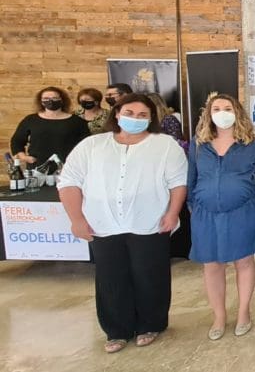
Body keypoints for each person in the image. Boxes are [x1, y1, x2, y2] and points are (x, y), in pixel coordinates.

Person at [56, 93, 187, 353]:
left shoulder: (165, 145)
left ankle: (151, 324)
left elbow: (177, 183)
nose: (135, 118)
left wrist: (173, 213)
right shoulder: (91, 145)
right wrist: (76, 219)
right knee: (111, 278)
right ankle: (116, 330)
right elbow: (69, 182)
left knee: (150, 275)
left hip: (150, 221)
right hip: (103, 223)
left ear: (151, 118)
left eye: (142, 115)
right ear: (117, 114)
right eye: (129, 113)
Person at [187, 94, 255, 340]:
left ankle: (243, 312)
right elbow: (191, 178)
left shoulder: (253, 144)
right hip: (205, 212)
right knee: (212, 265)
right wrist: (193, 206)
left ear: (237, 112)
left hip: (244, 210)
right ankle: (219, 316)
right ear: (208, 114)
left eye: (228, 108)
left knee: (244, 261)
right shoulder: (198, 144)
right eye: (217, 108)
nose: (222, 113)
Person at [11, 86, 91, 173]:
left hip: (68, 168)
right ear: (41, 101)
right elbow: (17, 140)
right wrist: (24, 157)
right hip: (37, 168)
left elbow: (87, 144)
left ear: (62, 100)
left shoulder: (77, 121)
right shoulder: (31, 120)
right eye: (46, 98)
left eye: (55, 98)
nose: (50, 101)